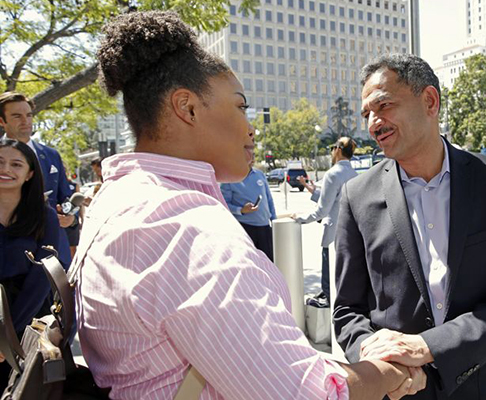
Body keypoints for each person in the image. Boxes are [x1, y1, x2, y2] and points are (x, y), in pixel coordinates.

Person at [72, 11, 424, 399]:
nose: (251, 126)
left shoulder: (116, 198)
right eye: (241, 107)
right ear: (187, 108)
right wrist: (391, 372)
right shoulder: (186, 229)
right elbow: (306, 394)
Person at [333, 54, 486, 399]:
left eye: (383, 106)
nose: (373, 123)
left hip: (484, 387)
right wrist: (379, 361)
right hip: (398, 390)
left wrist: (428, 347)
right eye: (366, 114)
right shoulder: (356, 196)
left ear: (430, 101)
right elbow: (347, 310)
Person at [0, 139, 69, 386]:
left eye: (16, 164)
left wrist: (7, 337)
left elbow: (40, 279)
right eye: (0, 162)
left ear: (29, 174)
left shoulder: (44, 216)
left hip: (28, 320)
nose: (6, 169)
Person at [0, 91, 74, 262]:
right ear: (2, 121)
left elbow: (66, 198)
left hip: (55, 253)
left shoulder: (51, 155)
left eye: (29, 115)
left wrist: (70, 217)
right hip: (10, 255)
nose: (25, 121)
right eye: (17, 116)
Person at [293, 137, 358, 307]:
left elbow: (323, 209)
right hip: (350, 232)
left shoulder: (333, 173)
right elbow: (335, 200)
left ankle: (328, 302)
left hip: (332, 232)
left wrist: (300, 219)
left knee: (329, 274)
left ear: (337, 149)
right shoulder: (355, 174)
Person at [220, 156, 277, 261]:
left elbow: (269, 199)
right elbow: (223, 204)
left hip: (265, 228)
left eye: (253, 155)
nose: (252, 159)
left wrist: (274, 219)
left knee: (268, 263)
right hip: (245, 229)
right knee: (249, 262)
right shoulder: (229, 178)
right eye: (247, 156)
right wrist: (241, 210)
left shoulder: (259, 174)